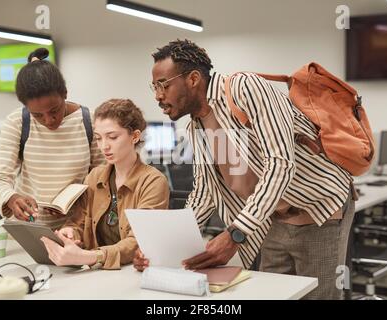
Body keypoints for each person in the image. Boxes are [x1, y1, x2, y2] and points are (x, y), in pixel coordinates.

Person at [133, 39, 355, 299]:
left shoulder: (243, 88)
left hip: (319, 211)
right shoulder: (197, 128)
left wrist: (236, 233)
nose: (158, 95)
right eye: (154, 86)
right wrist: (164, 248)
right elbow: (205, 194)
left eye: (163, 85)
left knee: (317, 297)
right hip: (273, 220)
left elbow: (280, 163)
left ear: (193, 79)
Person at [41, 99, 170, 269]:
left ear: (135, 136)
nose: (104, 146)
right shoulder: (94, 177)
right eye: (99, 138)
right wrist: (71, 232)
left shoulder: (153, 182)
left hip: (129, 272)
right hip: (97, 271)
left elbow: (137, 241)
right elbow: (79, 222)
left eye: (113, 137)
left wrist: (91, 256)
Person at [0, 48, 104, 230]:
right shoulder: (18, 121)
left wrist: (79, 202)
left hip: (74, 231)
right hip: (27, 229)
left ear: (65, 93)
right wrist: (12, 198)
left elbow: (102, 180)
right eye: (38, 115)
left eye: (54, 110)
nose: (48, 120)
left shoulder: (90, 121)